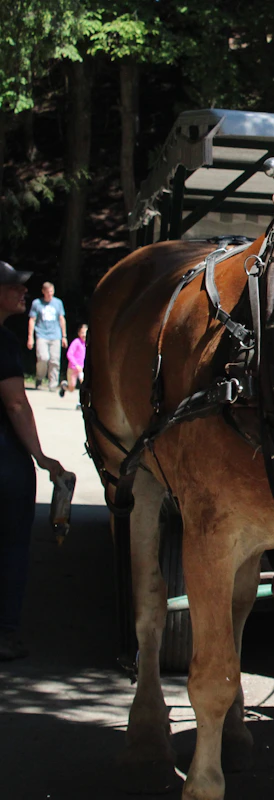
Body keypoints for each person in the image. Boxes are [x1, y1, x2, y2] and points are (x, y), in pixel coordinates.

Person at [0, 260, 65, 660]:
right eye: (13, 286)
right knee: (9, 546)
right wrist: (41, 456)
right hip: (5, 461)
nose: (24, 291)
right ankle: (4, 631)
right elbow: (15, 404)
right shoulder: (3, 343)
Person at [27, 281, 66, 390]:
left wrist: (64, 336)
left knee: (54, 360)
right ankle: (39, 378)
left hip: (56, 335)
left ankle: (53, 383)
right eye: (48, 292)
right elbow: (32, 320)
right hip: (41, 334)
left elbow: (61, 319)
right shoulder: (37, 303)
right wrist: (30, 337)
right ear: (43, 292)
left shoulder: (58, 303)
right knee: (43, 358)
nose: (50, 294)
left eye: (52, 292)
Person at [60, 323, 87, 399]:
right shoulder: (76, 342)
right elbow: (69, 354)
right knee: (71, 388)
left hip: (82, 369)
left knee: (83, 384)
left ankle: (81, 401)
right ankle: (65, 387)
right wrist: (75, 364)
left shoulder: (87, 344)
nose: (84, 335)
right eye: (82, 333)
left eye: (85, 333)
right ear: (79, 333)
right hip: (73, 368)